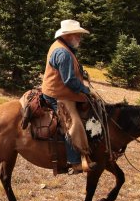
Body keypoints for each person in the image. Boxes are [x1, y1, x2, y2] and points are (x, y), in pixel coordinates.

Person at [41, 19, 100, 173]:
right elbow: (69, 81)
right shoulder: (63, 52)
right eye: (77, 35)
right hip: (57, 95)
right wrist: (86, 90)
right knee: (73, 122)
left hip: (61, 91)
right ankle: (74, 162)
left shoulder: (65, 47)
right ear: (68, 36)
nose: (80, 38)